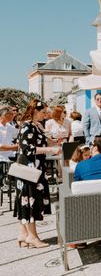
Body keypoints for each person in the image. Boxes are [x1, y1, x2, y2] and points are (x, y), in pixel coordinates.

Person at [13, 99, 60, 249]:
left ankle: (23, 234)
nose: (46, 115)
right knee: (30, 201)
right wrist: (50, 150)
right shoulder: (27, 126)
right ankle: (32, 237)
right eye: (43, 112)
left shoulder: (35, 126)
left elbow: (44, 142)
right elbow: (29, 149)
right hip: (29, 169)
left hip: (33, 168)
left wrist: (53, 141)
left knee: (25, 200)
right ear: (34, 111)